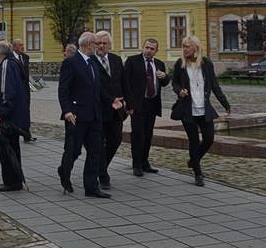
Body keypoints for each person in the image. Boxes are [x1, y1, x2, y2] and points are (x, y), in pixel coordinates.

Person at [57, 31, 123, 199]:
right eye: (96, 43)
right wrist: (67, 111)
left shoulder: (92, 63)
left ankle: (91, 187)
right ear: (88, 45)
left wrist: (111, 100)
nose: (99, 46)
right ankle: (64, 172)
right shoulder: (71, 63)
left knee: (95, 152)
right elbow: (63, 90)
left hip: (94, 116)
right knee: (74, 151)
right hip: (76, 116)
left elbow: (97, 90)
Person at [170, 35, 231, 187]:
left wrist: (225, 104)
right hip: (187, 109)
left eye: (187, 46)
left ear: (196, 47)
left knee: (209, 139)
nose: (185, 49)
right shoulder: (180, 64)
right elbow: (175, 83)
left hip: (204, 109)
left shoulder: (206, 63)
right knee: (194, 141)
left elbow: (215, 85)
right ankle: (198, 173)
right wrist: (179, 91)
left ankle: (193, 160)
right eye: (183, 46)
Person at [0, 41, 30, 192]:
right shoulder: (12, 63)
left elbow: (8, 92)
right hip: (10, 115)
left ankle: (12, 181)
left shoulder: (7, 65)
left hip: (6, 117)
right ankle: (15, 179)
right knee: (11, 148)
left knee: (7, 150)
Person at [124, 38, 171, 177]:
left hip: (152, 103)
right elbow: (125, 82)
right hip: (138, 104)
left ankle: (145, 162)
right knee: (138, 134)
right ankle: (136, 164)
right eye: (147, 47)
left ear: (156, 51)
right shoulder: (132, 61)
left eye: (152, 49)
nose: (149, 51)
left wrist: (165, 76)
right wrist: (129, 104)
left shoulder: (159, 63)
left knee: (148, 134)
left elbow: (165, 83)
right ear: (142, 47)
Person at [93, 31, 128, 190]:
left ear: (109, 45)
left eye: (104, 43)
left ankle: (100, 167)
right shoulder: (91, 61)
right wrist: (109, 99)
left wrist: (129, 104)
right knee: (99, 143)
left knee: (116, 140)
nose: (101, 46)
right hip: (98, 109)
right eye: (98, 43)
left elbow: (123, 82)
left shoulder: (116, 59)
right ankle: (103, 175)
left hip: (117, 110)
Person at [11, 38, 36, 143]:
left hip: (25, 90)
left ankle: (27, 134)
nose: (23, 47)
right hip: (16, 90)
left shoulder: (25, 57)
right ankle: (14, 133)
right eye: (20, 45)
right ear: (14, 47)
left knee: (26, 111)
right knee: (15, 112)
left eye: (23, 44)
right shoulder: (10, 58)